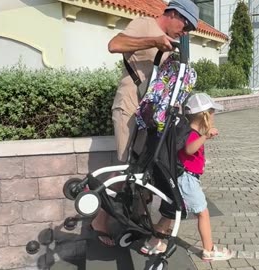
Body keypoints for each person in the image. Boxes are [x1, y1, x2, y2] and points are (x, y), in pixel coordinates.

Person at [90, 0, 200, 247]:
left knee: (144, 166)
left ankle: (137, 216)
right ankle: (100, 219)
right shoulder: (144, 24)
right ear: (173, 14)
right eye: (186, 25)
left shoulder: (171, 43)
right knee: (126, 165)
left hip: (151, 112)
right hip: (130, 105)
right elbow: (114, 44)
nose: (186, 32)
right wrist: (154, 41)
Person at [140, 93, 234, 261]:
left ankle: (155, 242)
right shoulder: (192, 134)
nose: (214, 117)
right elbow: (189, 149)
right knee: (202, 212)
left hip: (186, 178)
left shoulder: (189, 132)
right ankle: (209, 250)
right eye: (212, 113)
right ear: (205, 116)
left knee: (171, 212)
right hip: (187, 180)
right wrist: (205, 136)